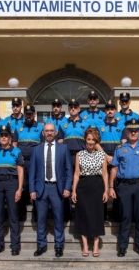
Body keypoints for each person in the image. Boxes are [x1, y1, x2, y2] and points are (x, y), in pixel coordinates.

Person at [109, 119, 139, 258]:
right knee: (125, 216)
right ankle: (122, 246)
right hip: (124, 186)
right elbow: (114, 168)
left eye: (136, 130)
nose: (133, 132)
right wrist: (111, 186)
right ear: (126, 132)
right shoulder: (120, 149)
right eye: (130, 130)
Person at [29, 123, 73, 258]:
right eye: (46, 131)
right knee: (41, 219)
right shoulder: (36, 149)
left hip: (57, 188)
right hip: (41, 188)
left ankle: (59, 245)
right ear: (43, 133)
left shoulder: (63, 148)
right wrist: (32, 189)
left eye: (51, 131)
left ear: (55, 133)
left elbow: (68, 170)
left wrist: (67, 187)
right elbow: (32, 171)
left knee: (58, 218)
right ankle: (41, 245)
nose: (49, 133)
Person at [0, 125, 24, 256]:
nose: (3, 137)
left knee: (13, 216)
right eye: (1, 135)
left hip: (11, 183)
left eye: (6, 135)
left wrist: (20, 188)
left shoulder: (16, 151)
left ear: (10, 138)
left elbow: (20, 170)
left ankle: (15, 245)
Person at [71, 128, 108, 257]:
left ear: (96, 141)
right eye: (88, 139)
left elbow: (104, 174)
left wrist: (106, 190)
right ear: (85, 140)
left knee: (97, 216)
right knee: (83, 216)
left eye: (93, 139)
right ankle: (85, 246)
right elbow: (76, 173)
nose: (90, 142)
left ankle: (96, 246)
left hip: (97, 186)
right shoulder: (79, 154)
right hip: (83, 186)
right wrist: (74, 190)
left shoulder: (102, 155)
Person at [57, 99, 92, 222]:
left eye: (75, 107)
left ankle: (80, 215)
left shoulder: (86, 124)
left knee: (80, 186)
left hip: (82, 157)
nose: (73, 109)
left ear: (79, 109)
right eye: (70, 107)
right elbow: (59, 141)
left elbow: (91, 141)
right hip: (66, 157)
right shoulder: (62, 124)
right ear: (68, 109)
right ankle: (67, 214)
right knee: (67, 184)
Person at [14, 105, 44, 222]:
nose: (28, 115)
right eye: (27, 113)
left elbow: (42, 146)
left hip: (35, 161)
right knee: (21, 186)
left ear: (34, 114)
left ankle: (36, 213)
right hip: (21, 162)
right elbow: (15, 145)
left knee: (36, 185)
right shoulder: (18, 128)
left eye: (31, 113)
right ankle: (22, 212)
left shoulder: (40, 128)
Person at [98, 100, 124, 221]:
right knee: (102, 185)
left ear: (115, 111)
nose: (110, 111)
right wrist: (105, 156)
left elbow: (124, 142)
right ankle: (102, 215)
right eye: (107, 109)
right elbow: (96, 142)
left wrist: (116, 157)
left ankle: (116, 215)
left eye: (112, 109)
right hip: (102, 157)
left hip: (117, 158)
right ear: (105, 111)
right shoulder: (99, 124)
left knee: (117, 186)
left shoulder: (121, 125)